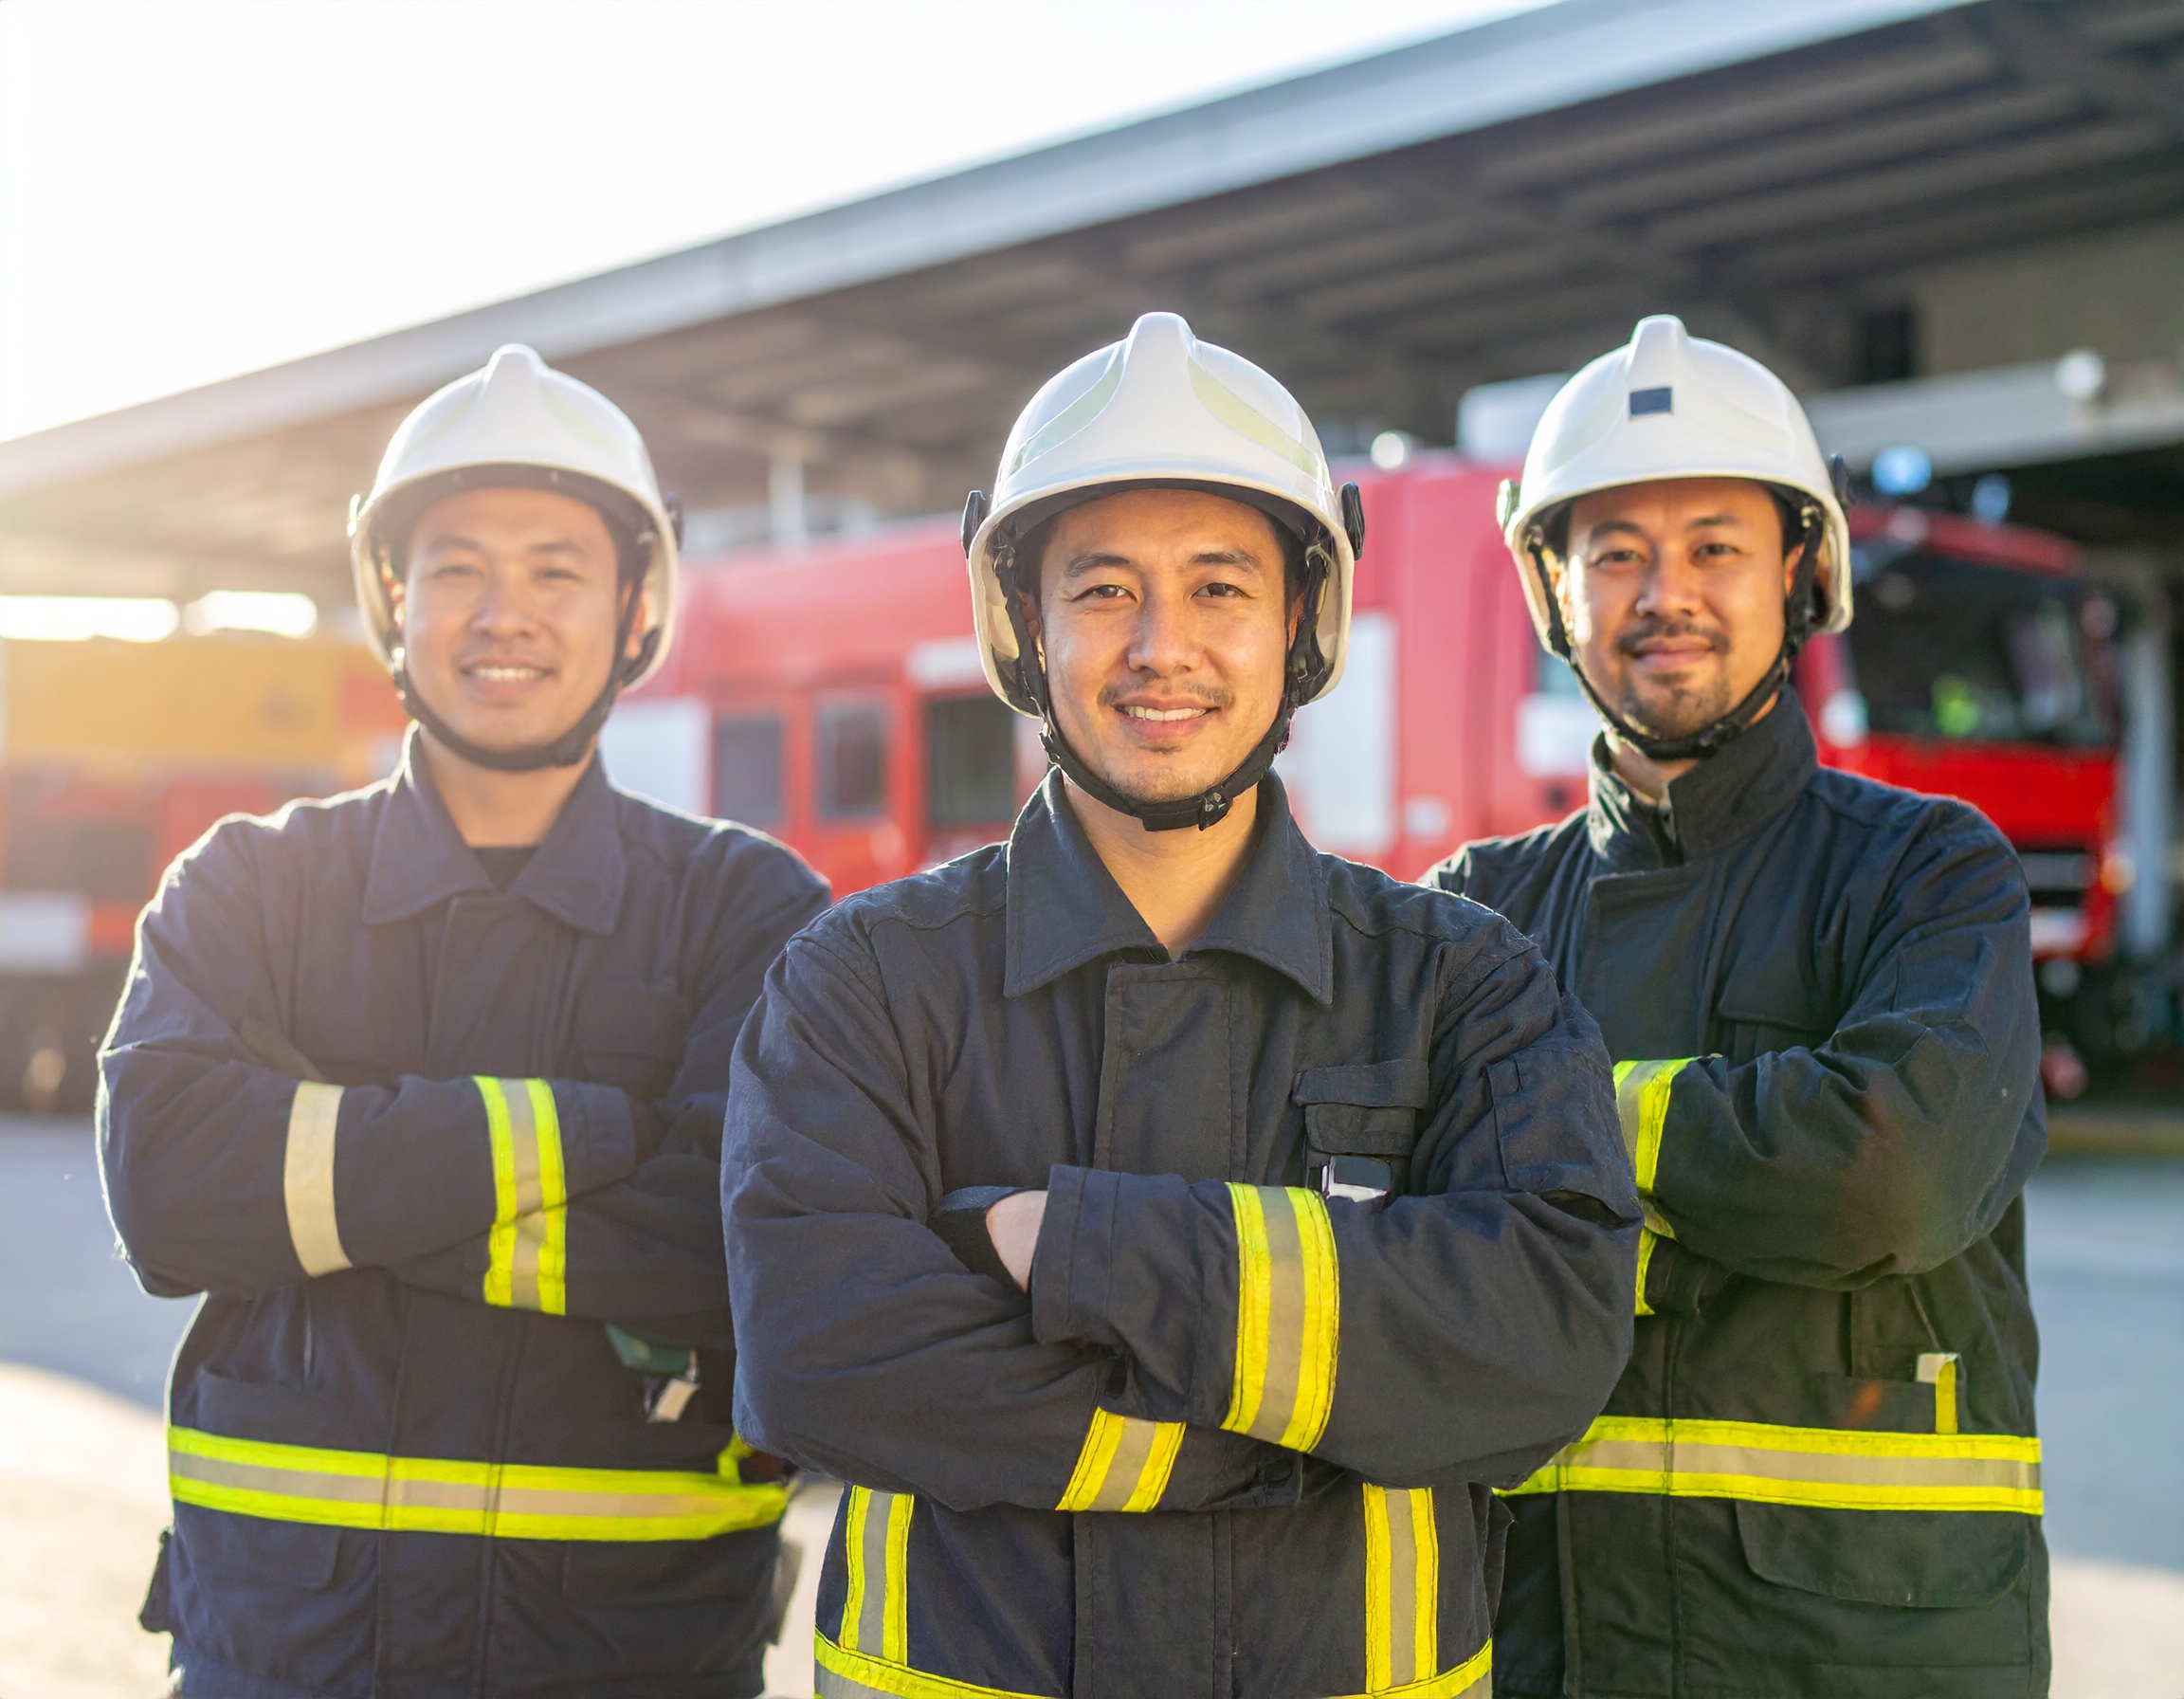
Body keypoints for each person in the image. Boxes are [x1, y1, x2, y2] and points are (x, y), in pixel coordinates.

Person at [721, 311, 1640, 1699]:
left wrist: (1064, 1244)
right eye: (1103, 591)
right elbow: (819, 1361)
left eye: (1220, 587)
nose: (1163, 646)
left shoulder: (1462, 983)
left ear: (1300, 624)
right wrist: (1317, 1420)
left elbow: (1545, 1345)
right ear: (1024, 628)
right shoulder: (866, 981)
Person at [100, 344, 828, 1698]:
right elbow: (170, 1193)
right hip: (282, 1660)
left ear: (635, 609)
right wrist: (611, 1133)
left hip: (631, 1665)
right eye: (457, 569)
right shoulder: (251, 885)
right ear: (392, 602)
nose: (506, 614)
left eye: (557, 569)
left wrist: (347, 1184)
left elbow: (757, 1237)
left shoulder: (748, 911)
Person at [1428, 315, 2047, 1696]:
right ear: (1556, 593)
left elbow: (1897, 1176)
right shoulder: (1473, 914)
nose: (1668, 594)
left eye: (1716, 546)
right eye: (1618, 554)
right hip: (1550, 1645)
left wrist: (1551, 1136)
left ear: (1799, 572)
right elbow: (1418, 1248)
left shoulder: (1928, 871)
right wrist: (1730, 1159)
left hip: (1869, 1652)